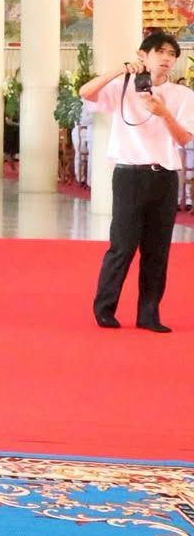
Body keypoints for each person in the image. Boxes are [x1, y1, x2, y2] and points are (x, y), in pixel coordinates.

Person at [79, 30, 194, 334]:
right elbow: (85, 92)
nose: (167, 59)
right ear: (143, 55)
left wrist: (164, 113)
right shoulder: (123, 86)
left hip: (165, 176)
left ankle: (149, 313)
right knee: (123, 245)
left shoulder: (183, 95)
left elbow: (184, 139)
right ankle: (105, 309)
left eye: (172, 54)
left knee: (158, 250)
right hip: (129, 174)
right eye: (160, 52)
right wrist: (120, 70)